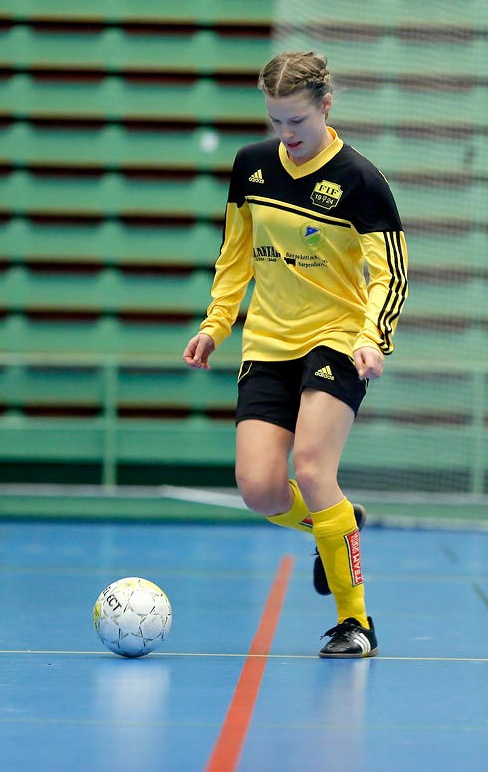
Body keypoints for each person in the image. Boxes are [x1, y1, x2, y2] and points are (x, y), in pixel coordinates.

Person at [183, 50, 408, 659]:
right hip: (268, 341)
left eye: (297, 123)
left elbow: (390, 272)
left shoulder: (361, 181)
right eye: (276, 122)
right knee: (259, 489)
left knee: (311, 467)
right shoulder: (251, 168)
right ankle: (339, 524)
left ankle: (354, 623)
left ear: (326, 108)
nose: (287, 135)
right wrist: (215, 324)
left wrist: (372, 336)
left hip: (336, 337)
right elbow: (234, 255)